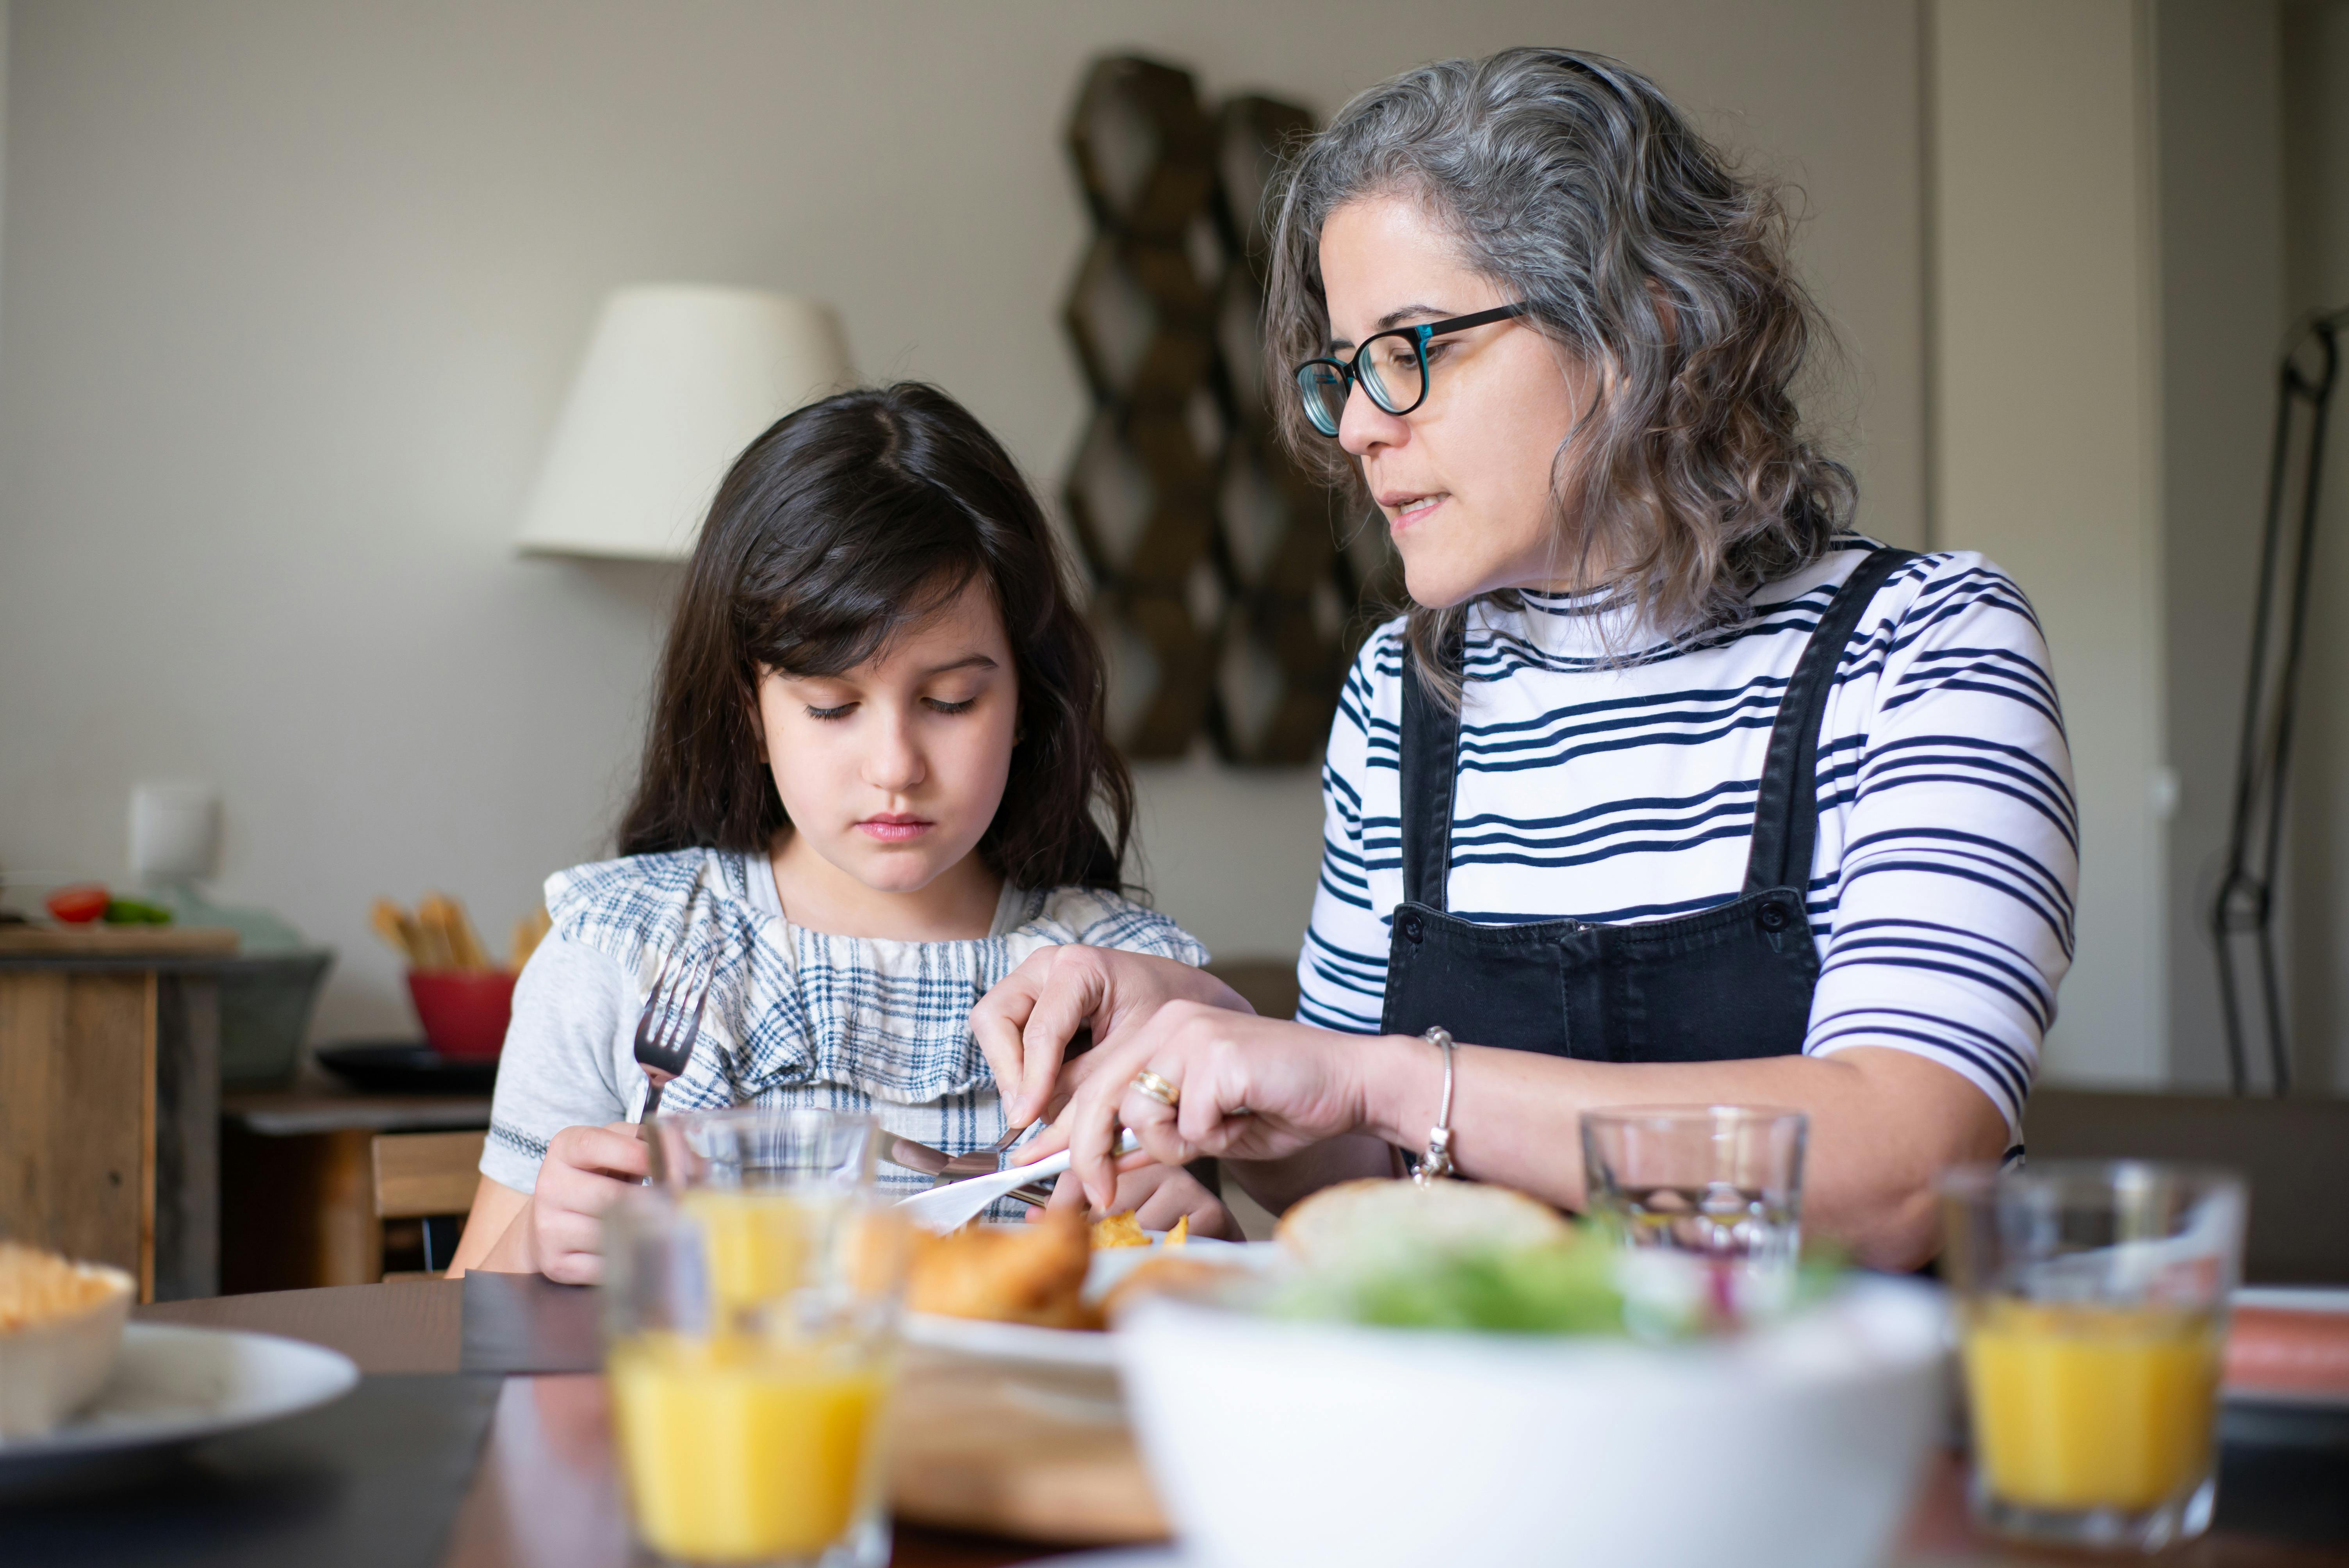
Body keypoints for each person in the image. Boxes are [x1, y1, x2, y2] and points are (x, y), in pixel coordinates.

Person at [975, 48, 2075, 1270]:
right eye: (1344, 370)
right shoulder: (1401, 695)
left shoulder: (1925, 649)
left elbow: (1903, 1175)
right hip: (1502, 1442)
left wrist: (1390, 1079)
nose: (1352, 427)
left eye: (1410, 348)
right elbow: (1370, 1168)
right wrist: (1206, 1038)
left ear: (1641, 326)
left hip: (1846, 1447)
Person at [449, 383, 1231, 1283]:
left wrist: (1198, 1255)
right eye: (831, 706)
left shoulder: (1130, 993)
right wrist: (536, 1245)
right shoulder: (621, 955)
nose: (894, 764)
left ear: (1024, 701)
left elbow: (1178, 1337)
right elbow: (465, 1329)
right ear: (750, 708)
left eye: (950, 702)